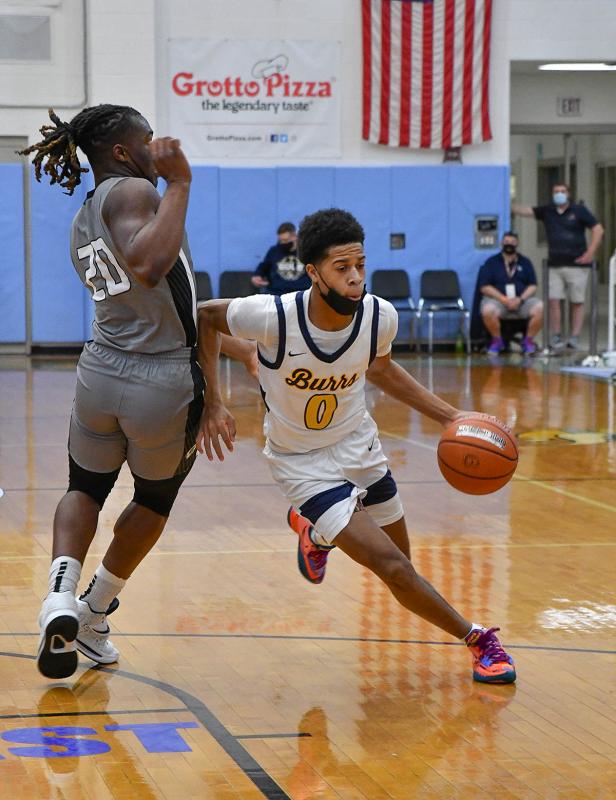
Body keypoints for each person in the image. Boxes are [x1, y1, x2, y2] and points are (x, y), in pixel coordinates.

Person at [196, 207, 516, 685]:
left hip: (359, 447)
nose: (355, 278)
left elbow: (381, 369)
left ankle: (316, 534)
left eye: (360, 265)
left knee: (401, 561)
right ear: (313, 272)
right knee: (393, 567)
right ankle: (478, 640)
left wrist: (453, 416)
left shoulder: (377, 316)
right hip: (301, 464)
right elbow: (206, 316)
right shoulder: (273, 315)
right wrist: (212, 401)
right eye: (342, 268)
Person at [20, 104, 211, 679]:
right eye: (148, 140)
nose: (158, 148)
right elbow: (150, 265)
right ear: (124, 152)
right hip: (161, 377)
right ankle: (94, 610)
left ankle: (61, 595)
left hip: (102, 368)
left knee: (85, 486)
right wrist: (179, 181)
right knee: (153, 500)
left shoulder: (86, 214)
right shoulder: (133, 191)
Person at [513, 183, 603, 351]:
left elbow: (598, 229)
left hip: (577, 265)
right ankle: (556, 335)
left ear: (568, 194)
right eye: (556, 191)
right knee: (554, 301)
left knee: (577, 302)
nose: (559, 194)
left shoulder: (579, 211)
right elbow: (527, 211)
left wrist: (590, 253)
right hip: (554, 266)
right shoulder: (547, 211)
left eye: (562, 191)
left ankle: (574, 337)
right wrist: (507, 204)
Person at [479, 231, 543, 355]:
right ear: (501, 243)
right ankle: (497, 341)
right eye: (506, 242)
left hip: (521, 301)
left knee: (540, 307)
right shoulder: (491, 262)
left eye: (512, 242)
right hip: (499, 301)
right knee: (487, 309)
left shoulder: (525, 262)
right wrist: (503, 299)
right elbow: (485, 287)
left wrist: (520, 299)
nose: (509, 244)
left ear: (517, 244)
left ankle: (528, 341)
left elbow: (533, 286)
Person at [251, 221, 311, 295]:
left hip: (301, 293)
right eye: (281, 240)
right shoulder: (274, 251)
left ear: (295, 236)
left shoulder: (305, 251)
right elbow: (264, 266)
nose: (283, 243)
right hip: (277, 293)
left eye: (285, 240)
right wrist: (257, 276)